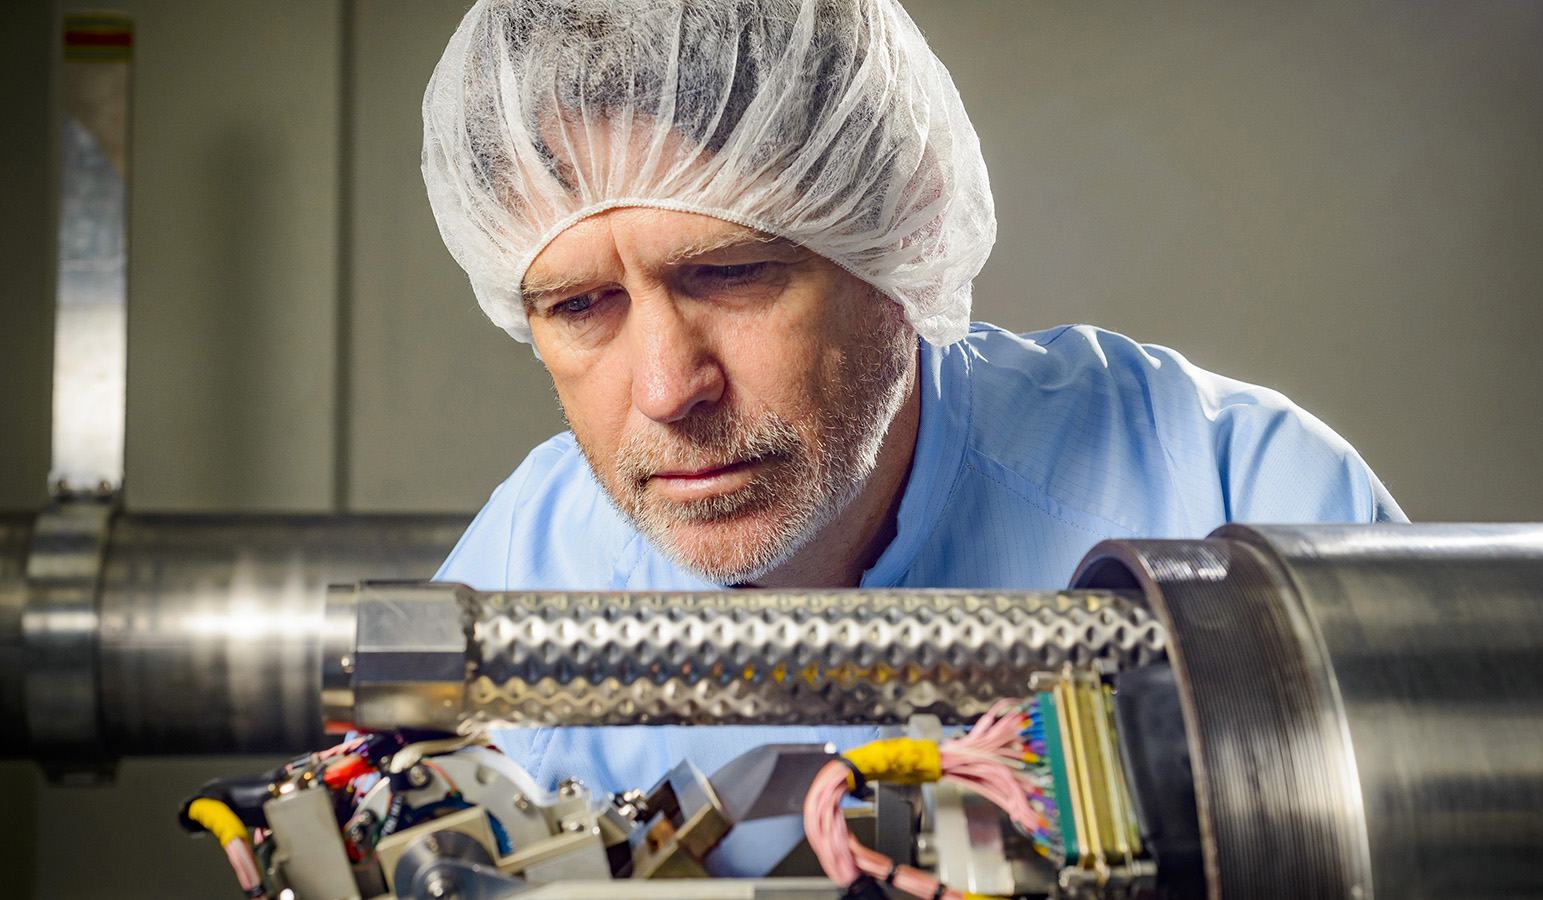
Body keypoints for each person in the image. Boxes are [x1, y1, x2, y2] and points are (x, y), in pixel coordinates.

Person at [422, 0, 1404, 794]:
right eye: (581, 305)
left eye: (732, 275)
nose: (668, 389)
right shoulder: (525, 558)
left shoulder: (1241, 498)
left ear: (893, 242)